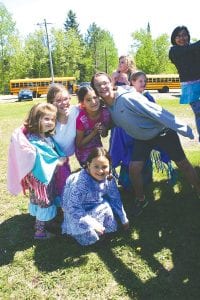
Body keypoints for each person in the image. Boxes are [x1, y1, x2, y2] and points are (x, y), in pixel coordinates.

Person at [91, 72, 200, 213]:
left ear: (111, 83)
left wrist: (184, 129)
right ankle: (141, 199)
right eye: (98, 85)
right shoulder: (107, 107)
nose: (102, 87)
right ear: (95, 89)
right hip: (142, 139)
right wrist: (104, 129)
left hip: (163, 133)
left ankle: (198, 189)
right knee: (134, 169)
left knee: (182, 164)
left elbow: (155, 110)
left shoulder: (127, 98)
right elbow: (113, 122)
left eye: (105, 83)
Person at [8, 103, 67, 239]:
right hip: (41, 180)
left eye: (52, 119)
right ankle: (40, 232)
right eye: (46, 119)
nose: (50, 122)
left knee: (44, 201)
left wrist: (59, 155)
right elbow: (37, 156)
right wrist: (56, 161)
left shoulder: (44, 136)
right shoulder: (33, 139)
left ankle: (48, 222)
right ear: (36, 119)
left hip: (47, 178)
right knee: (44, 203)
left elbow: (52, 150)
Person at [61, 147, 129, 246]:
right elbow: (71, 208)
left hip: (96, 205)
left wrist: (124, 219)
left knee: (107, 207)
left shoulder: (109, 178)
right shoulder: (80, 183)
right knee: (91, 238)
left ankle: (102, 229)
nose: (100, 171)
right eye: (96, 166)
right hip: (75, 212)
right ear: (88, 165)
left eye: (104, 167)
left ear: (110, 166)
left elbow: (115, 198)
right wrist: (92, 223)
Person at [47, 83, 80, 194]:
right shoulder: (48, 120)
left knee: (64, 182)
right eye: (59, 100)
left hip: (65, 158)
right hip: (50, 159)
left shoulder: (76, 111)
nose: (64, 103)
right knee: (55, 185)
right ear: (51, 103)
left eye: (66, 99)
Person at [169, 25, 200, 142]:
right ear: (174, 38)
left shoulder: (193, 49)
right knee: (199, 112)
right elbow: (189, 49)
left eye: (184, 35)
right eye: (178, 36)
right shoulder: (174, 51)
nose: (182, 38)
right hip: (191, 87)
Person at [75, 86, 112, 166]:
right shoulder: (81, 119)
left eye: (95, 97)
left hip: (98, 148)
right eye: (88, 100)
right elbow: (79, 144)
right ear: (82, 103)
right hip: (83, 153)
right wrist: (94, 132)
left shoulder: (105, 113)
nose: (93, 102)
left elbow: (104, 135)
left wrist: (103, 130)